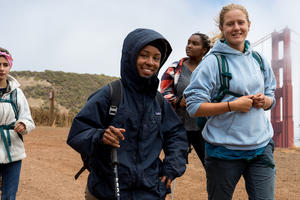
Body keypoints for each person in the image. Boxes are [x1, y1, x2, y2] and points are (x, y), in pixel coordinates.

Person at [67, 28, 188, 200]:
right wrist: (101, 136)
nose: (150, 62)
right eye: (144, 55)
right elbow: (78, 133)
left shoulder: (159, 101)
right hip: (106, 190)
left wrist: (172, 167)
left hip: (150, 192)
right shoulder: (110, 94)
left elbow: (176, 134)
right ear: (130, 56)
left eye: (156, 58)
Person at [184, 4, 276, 200]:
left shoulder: (259, 60)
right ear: (222, 29)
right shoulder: (211, 63)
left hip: (261, 148)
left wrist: (265, 100)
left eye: (241, 22)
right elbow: (193, 107)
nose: (236, 28)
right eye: (230, 24)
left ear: (249, 25)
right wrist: (231, 105)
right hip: (223, 153)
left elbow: (271, 96)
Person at [160, 33, 210, 166]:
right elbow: (164, 92)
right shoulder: (175, 68)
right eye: (188, 42)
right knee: (173, 165)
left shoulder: (210, 70)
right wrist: (177, 101)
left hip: (203, 129)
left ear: (204, 50)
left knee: (211, 167)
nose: (189, 46)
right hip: (178, 126)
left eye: (195, 44)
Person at [0, 47, 35, 200]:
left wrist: (23, 125)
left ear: (10, 66)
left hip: (12, 150)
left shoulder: (16, 93)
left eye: (5, 65)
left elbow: (28, 119)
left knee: (9, 196)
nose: (1, 69)